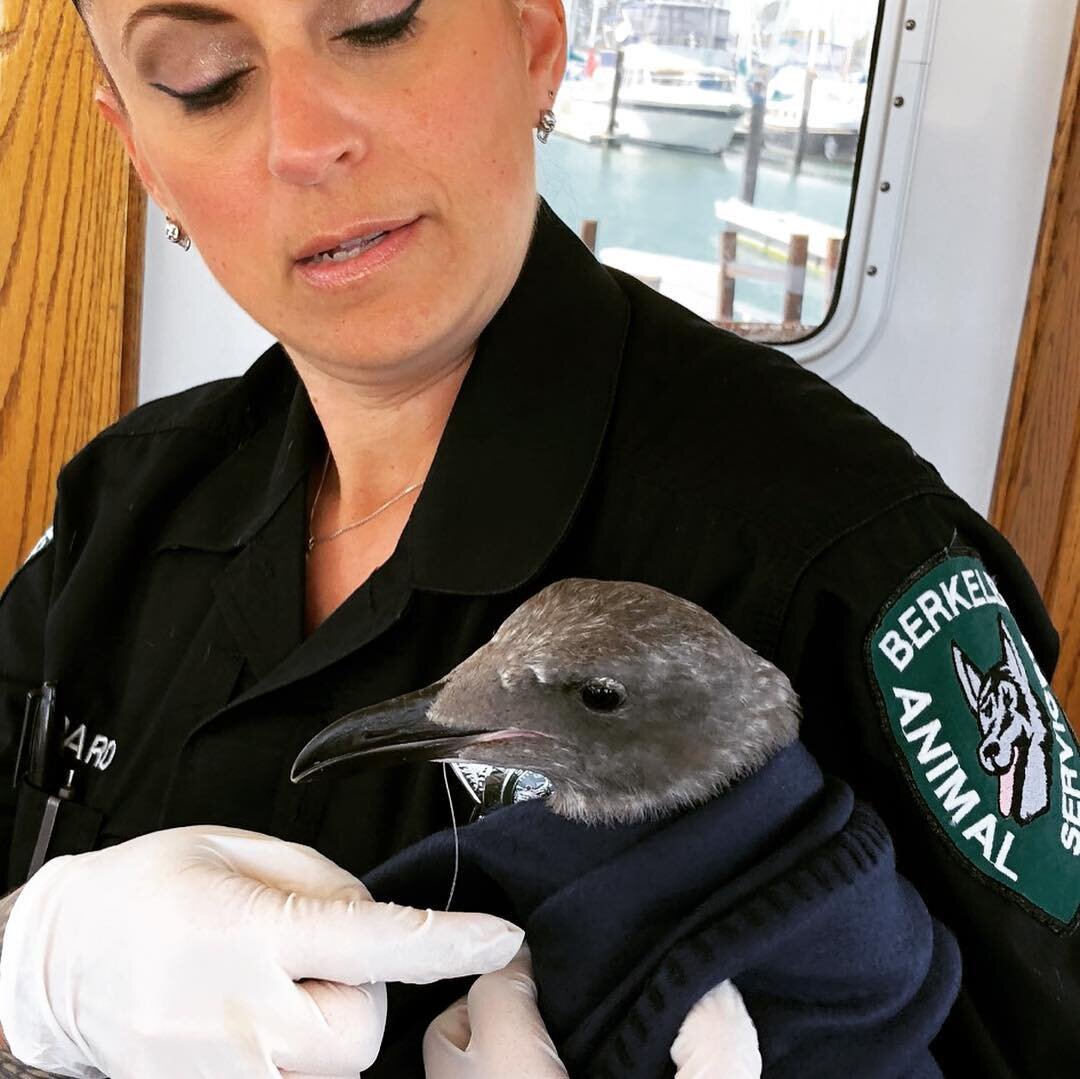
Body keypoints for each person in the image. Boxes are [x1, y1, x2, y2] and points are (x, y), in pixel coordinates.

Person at [0, 0, 1075, 1075]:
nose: (304, 142)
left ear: (534, 38)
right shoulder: (120, 499)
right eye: (203, 75)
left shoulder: (843, 551)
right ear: (141, 149)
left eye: (376, 22)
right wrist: (28, 975)